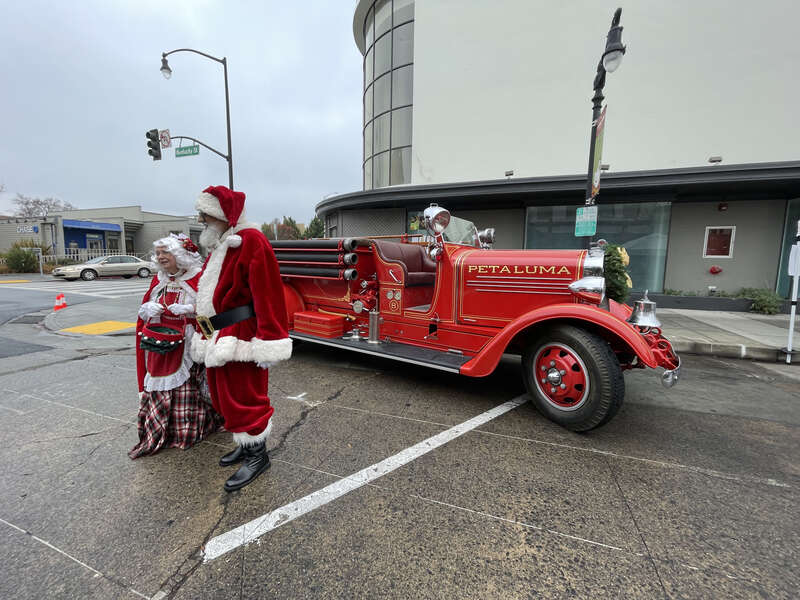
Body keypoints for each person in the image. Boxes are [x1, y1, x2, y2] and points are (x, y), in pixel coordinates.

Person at [191, 185, 292, 492]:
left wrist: (269, 339)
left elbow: (269, 293)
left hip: (242, 334)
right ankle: (245, 444)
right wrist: (202, 331)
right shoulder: (221, 243)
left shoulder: (251, 241)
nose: (202, 221)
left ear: (224, 216)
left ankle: (257, 455)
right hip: (217, 333)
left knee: (245, 397)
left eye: (207, 216)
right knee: (223, 395)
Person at [129, 234, 224, 459]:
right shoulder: (159, 279)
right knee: (158, 386)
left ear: (180, 256)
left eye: (166, 252)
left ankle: (186, 432)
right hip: (160, 344)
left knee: (188, 389)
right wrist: (147, 310)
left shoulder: (199, 278)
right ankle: (158, 432)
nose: (160, 257)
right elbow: (144, 314)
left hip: (188, 346)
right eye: (158, 253)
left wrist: (191, 310)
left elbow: (213, 313)